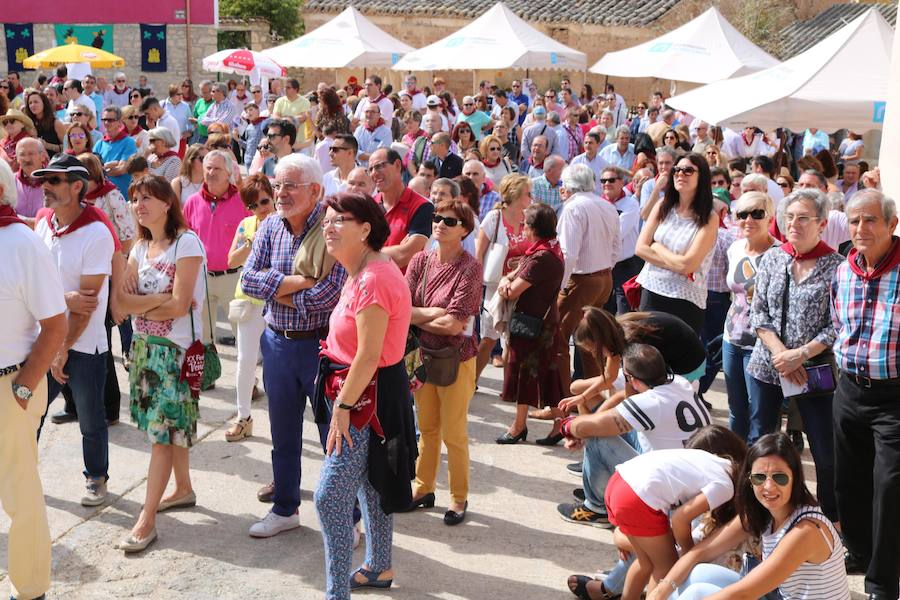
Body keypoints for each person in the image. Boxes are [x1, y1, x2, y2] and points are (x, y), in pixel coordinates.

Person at [314, 192, 416, 599]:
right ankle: (378, 565)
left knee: (329, 498)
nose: (329, 227)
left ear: (366, 229)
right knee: (370, 485)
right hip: (364, 391)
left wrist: (342, 407)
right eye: (327, 220)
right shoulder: (364, 269)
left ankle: (337, 592)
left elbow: (368, 356)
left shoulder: (374, 278)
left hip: (363, 398)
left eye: (340, 220)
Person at [240, 154, 345, 535]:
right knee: (283, 434)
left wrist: (277, 290)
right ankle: (285, 509)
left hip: (320, 349)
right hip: (277, 345)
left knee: (332, 436)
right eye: (278, 185)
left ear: (315, 190)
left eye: (290, 185)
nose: (280, 193)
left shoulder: (334, 227)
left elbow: (328, 296)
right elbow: (248, 280)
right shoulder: (269, 227)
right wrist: (299, 282)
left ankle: (345, 520)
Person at [111, 174, 205, 553]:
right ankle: (182, 489)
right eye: (135, 199)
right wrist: (158, 298)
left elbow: (181, 305)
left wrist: (144, 302)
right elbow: (119, 306)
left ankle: (146, 520)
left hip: (175, 352)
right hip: (145, 350)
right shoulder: (139, 249)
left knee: (161, 439)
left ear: (168, 202)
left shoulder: (187, 243)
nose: (140, 205)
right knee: (170, 431)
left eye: (148, 197)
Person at [647, 433, 850, 600]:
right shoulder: (760, 511)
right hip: (777, 596)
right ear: (749, 480)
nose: (769, 487)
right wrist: (662, 589)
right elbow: (699, 553)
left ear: (795, 479)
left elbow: (745, 593)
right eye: (759, 477)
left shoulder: (806, 530)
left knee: (697, 595)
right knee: (697, 574)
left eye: (779, 477)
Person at [747, 188, 844, 523]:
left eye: (804, 218)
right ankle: (761, 513)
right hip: (768, 366)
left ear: (822, 223)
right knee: (760, 440)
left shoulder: (836, 266)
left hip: (812, 369)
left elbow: (837, 324)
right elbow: (758, 312)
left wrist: (800, 355)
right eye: (790, 217)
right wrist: (781, 354)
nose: (795, 224)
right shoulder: (774, 258)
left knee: (824, 449)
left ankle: (830, 519)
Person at [0, 157, 66, 600]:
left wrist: (22, 389)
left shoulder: (22, 242)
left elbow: (55, 325)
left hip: (10, 384)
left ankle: (30, 590)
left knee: (20, 495)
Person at [557, 344, 713, 529]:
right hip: (690, 478)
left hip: (669, 488)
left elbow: (592, 425)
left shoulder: (649, 402)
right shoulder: (679, 382)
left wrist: (568, 428)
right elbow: (617, 411)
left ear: (633, 379)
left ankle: (596, 509)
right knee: (608, 428)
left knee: (597, 436)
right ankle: (606, 492)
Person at [33, 154, 114, 506]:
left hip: (83, 346)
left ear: (77, 186)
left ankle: (96, 477)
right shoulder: (43, 226)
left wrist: (62, 347)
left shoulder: (97, 232)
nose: (45, 188)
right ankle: (22, 473)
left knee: (90, 419)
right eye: (43, 181)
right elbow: (39, 285)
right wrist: (63, 297)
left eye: (53, 181)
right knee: (30, 412)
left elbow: (89, 304)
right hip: (44, 342)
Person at [830, 188, 900, 600]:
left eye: (870, 220)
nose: (860, 229)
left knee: (889, 488)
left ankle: (882, 584)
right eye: (854, 220)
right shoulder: (845, 270)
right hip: (850, 390)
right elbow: (841, 323)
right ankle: (859, 551)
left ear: (891, 224)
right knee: (847, 485)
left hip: (894, 399)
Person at [403, 198, 481, 523]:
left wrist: (418, 317)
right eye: (437, 218)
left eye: (449, 221)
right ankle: (423, 488)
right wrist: (432, 314)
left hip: (456, 358)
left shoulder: (471, 267)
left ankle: (459, 498)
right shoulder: (420, 260)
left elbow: (454, 324)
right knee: (427, 428)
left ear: (464, 229)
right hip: (419, 355)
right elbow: (402, 309)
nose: (439, 224)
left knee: (454, 433)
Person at [495, 203, 565, 444]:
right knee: (546, 375)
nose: (522, 228)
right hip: (540, 323)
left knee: (524, 374)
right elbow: (516, 276)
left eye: (525, 224)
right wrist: (508, 280)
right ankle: (558, 425)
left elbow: (512, 290)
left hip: (533, 326)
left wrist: (504, 285)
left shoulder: (542, 257)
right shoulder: (548, 250)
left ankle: (519, 427)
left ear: (534, 229)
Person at [635, 153, 718, 335]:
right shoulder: (662, 205)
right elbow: (640, 248)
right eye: (677, 170)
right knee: (648, 358)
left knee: (679, 360)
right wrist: (677, 264)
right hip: (652, 291)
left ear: (701, 176)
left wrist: (657, 247)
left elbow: (689, 264)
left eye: (688, 170)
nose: (680, 174)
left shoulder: (709, 218)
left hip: (685, 301)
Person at [556, 163, 621, 392]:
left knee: (558, 339)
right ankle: (594, 396)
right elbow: (616, 247)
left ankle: (562, 398)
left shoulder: (574, 208)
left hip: (582, 279)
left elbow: (568, 253)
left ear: (569, 186)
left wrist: (560, 286)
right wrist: (605, 270)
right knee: (590, 340)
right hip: (603, 278)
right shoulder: (606, 205)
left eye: (563, 185)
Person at [721, 191, 778, 441]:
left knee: (761, 417)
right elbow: (734, 295)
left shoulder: (780, 254)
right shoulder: (734, 249)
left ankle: (760, 470)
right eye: (742, 214)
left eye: (757, 213)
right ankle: (737, 465)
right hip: (731, 338)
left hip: (763, 345)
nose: (748, 220)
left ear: (770, 217)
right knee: (736, 411)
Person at [223, 174, 275, 442]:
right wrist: (251, 243)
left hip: (280, 303)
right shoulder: (246, 225)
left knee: (277, 365)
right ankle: (243, 418)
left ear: (273, 195)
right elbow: (231, 260)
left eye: (264, 201)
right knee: (245, 361)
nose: (260, 209)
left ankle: (283, 420)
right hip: (249, 301)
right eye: (253, 205)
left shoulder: (287, 223)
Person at [182, 150, 249, 347]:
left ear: (229, 173)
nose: (211, 172)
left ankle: (247, 377)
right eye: (208, 168)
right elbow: (185, 238)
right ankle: (207, 378)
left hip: (234, 277)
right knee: (203, 337)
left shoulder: (243, 201)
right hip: (201, 277)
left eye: (217, 168)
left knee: (242, 334)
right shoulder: (192, 202)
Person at [474, 174, 532, 380]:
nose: (531, 198)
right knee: (489, 339)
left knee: (514, 340)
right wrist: (476, 285)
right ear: (516, 195)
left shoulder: (529, 218)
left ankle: (509, 387)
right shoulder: (494, 218)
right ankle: (472, 381)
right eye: (528, 194)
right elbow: (478, 254)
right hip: (495, 287)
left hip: (520, 285)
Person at [369, 148, 434, 271]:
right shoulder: (369, 205)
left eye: (378, 166)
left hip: (403, 287)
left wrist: (366, 253)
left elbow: (404, 255)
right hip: (368, 283)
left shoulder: (422, 206)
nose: (374, 173)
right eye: (370, 169)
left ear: (398, 165)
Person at [94, 106, 138, 198]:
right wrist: (110, 166)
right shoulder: (99, 144)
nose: (106, 123)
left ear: (119, 122)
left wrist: (102, 171)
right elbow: (93, 170)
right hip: (102, 197)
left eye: (110, 120)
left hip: (122, 197)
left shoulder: (129, 142)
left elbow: (122, 169)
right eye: (104, 120)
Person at [23, 89, 65, 156]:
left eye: (36, 102)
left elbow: (67, 146)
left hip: (53, 162)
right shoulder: (28, 123)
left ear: (44, 103)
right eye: (30, 103)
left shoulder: (56, 123)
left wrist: (47, 145)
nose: (32, 105)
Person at [13, 137, 47, 219]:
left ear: (42, 156)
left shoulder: (54, 182)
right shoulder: (10, 182)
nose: (27, 159)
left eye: (31, 153)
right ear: (17, 159)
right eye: (22, 154)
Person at [353, 104, 392, 169]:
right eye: (367, 112)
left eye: (372, 112)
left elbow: (382, 154)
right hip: (359, 168)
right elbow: (354, 150)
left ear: (379, 115)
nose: (369, 114)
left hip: (378, 169)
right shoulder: (359, 130)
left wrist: (362, 155)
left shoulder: (386, 132)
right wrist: (372, 156)